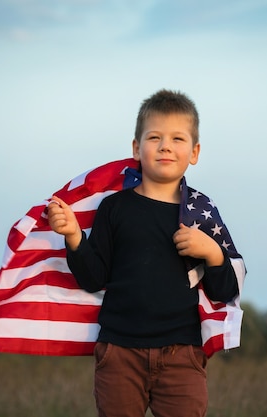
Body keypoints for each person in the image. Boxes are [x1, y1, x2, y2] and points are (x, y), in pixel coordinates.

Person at [47, 89, 241, 417]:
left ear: (194, 152)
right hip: (120, 352)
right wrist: (74, 237)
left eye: (178, 138)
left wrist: (212, 253)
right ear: (137, 148)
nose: (166, 145)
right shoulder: (115, 208)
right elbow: (93, 278)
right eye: (155, 137)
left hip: (182, 353)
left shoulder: (200, 212)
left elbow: (226, 289)